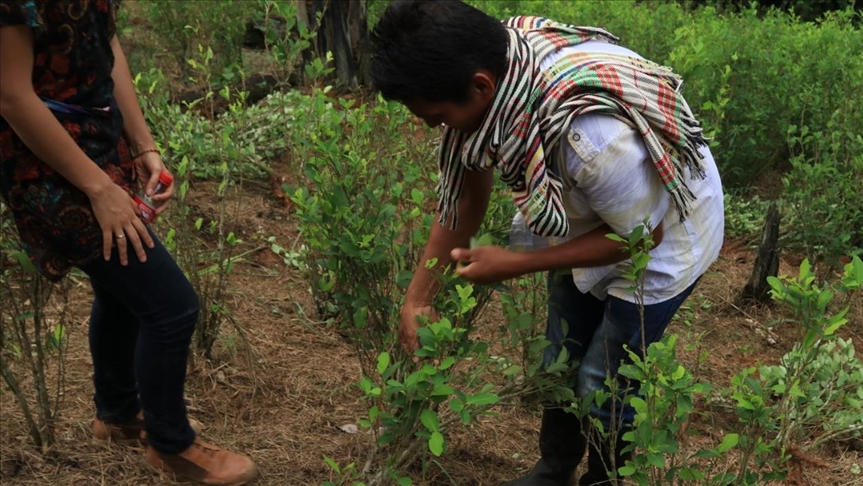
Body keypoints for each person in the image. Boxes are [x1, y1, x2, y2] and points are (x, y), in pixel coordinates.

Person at [370, 1, 724, 485]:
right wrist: (418, 297)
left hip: (663, 238)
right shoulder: (500, 80)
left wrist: (514, 263)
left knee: (604, 382)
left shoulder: (591, 138)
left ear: (480, 87)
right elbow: (466, 195)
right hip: (592, 219)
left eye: (436, 116)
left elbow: (642, 237)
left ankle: (605, 480)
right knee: (561, 360)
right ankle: (554, 471)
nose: (434, 128)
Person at [0, 1, 258, 485]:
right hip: (46, 162)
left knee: (121, 281)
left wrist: (143, 145)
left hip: (99, 139)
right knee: (171, 305)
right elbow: (11, 96)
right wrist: (98, 188)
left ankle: (118, 413)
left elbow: (108, 41)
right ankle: (171, 445)